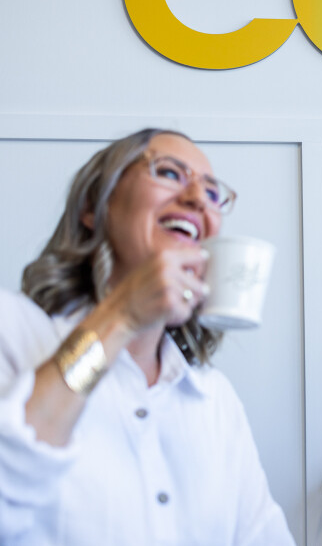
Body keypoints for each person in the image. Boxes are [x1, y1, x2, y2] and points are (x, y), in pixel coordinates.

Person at [0, 128, 295, 544]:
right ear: (93, 206)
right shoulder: (11, 328)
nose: (198, 199)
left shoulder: (215, 400)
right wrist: (121, 316)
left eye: (212, 193)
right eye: (170, 172)